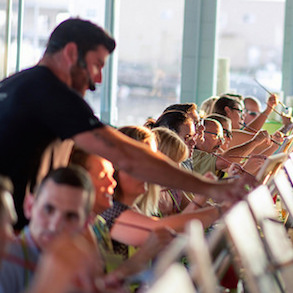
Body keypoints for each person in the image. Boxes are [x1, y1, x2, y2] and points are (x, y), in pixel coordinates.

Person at [0, 18, 252, 230]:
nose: (97, 79)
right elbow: (127, 155)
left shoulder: (15, 85)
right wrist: (212, 189)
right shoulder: (52, 92)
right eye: (96, 65)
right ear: (71, 53)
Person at [0, 166, 102, 293]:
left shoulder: (80, 271)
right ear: (29, 206)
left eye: (70, 217)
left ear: (86, 224)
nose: (55, 226)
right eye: (48, 210)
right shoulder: (5, 259)